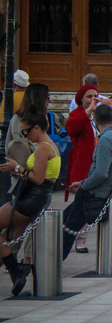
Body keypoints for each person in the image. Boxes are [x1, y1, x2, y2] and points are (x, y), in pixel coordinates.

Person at [0, 105, 61, 296]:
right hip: (37, 198)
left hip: (31, 198)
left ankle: (16, 271)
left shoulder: (43, 148)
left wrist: (17, 168)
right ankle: (16, 272)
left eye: (26, 131)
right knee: (8, 239)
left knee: (7, 240)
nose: (25, 136)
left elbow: (38, 178)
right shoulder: (52, 146)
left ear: (36, 128)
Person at [62, 105, 112, 260]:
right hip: (108, 192)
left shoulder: (106, 139)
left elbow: (101, 173)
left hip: (96, 194)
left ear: (94, 120)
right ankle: (52, 259)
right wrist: (82, 183)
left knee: (68, 228)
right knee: (63, 220)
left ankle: (53, 261)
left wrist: (84, 186)